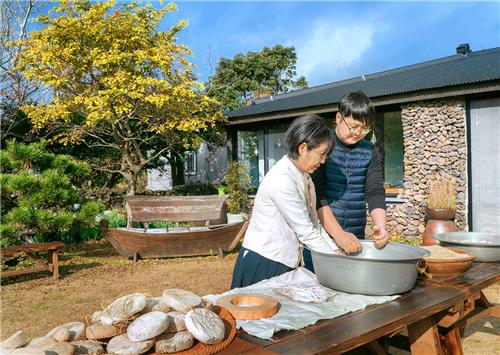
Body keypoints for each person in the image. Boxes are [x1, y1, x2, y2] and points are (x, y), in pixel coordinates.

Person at [230, 114, 339, 289]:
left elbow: (313, 224)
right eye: (321, 154)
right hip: (263, 262)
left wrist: (334, 249)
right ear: (303, 148)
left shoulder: (305, 178)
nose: (323, 161)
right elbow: (305, 231)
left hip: (286, 262)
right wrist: (337, 261)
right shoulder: (282, 179)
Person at [304, 91, 389, 272]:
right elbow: (317, 194)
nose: (358, 132)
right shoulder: (320, 145)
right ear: (338, 117)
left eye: (364, 128)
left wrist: (380, 226)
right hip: (321, 236)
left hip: (355, 236)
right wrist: (338, 234)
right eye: (353, 126)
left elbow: (374, 191)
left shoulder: (370, 151)